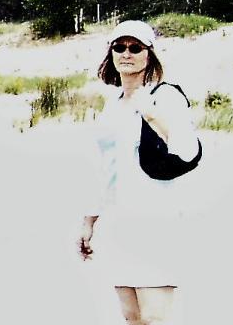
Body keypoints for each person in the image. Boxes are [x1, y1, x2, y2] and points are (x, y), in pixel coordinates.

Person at [78, 20, 201, 325]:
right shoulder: (112, 107)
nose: (127, 53)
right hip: (120, 223)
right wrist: (89, 221)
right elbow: (104, 170)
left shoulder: (165, 97)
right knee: (132, 317)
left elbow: (188, 151)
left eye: (136, 47)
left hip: (156, 221)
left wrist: (152, 114)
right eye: (119, 47)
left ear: (149, 54)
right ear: (111, 54)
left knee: (155, 317)